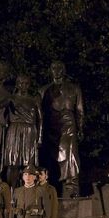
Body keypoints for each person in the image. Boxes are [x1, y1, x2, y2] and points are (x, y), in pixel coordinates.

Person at [40, 61, 84, 198]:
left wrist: (80, 128)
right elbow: (39, 112)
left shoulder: (74, 88)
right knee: (52, 157)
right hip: (51, 126)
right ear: (50, 70)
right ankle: (52, 186)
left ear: (64, 70)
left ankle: (72, 187)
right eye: (54, 68)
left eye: (60, 67)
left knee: (71, 156)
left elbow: (80, 110)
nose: (57, 70)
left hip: (69, 125)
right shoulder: (44, 90)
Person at [3, 74, 42, 184]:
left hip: (29, 130)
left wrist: (40, 138)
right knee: (13, 162)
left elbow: (40, 119)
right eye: (21, 83)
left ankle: (29, 188)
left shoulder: (34, 99)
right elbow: (4, 116)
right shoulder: (11, 98)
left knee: (29, 162)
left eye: (26, 83)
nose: (23, 86)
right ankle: (11, 191)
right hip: (14, 130)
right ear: (17, 84)